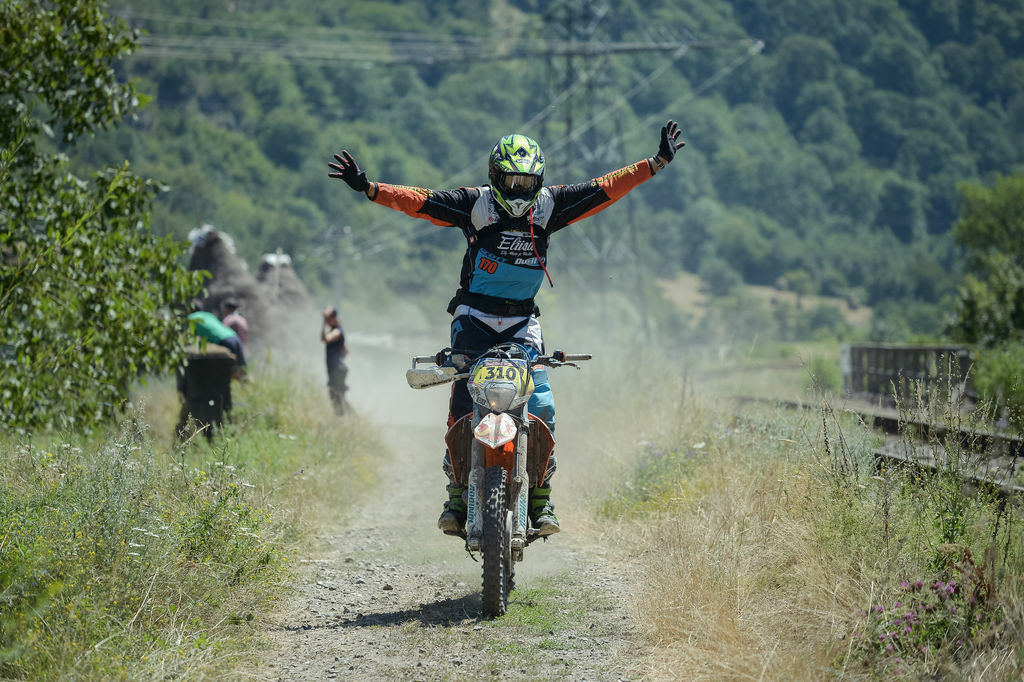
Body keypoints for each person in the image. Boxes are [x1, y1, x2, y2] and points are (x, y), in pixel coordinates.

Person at [328, 120, 685, 536]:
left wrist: (655, 162)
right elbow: (420, 201)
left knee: (544, 407)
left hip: (522, 323)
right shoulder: (473, 204)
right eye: (510, 181)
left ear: (539, 181)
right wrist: (371, 188)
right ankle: (458, 493)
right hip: (473, 319)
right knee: (464, 399)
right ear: (494, 176)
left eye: (525, 182)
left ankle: (541, 498)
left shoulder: (551, 205)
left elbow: (604, 189)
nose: (517, 191)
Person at [321, 306, 348, 415]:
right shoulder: (338, 331)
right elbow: (346, 351)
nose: (327, 320)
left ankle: (350, 419)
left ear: (334, 318)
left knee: (336, 396)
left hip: (337, 370)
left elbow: (325, 339)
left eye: (328, 318)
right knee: (338, 396)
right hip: (338, 369)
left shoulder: (336, 331)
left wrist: (323, 324)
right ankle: (347, 419)